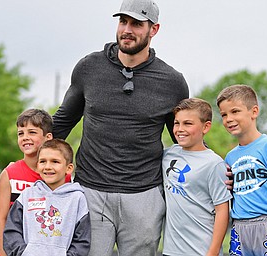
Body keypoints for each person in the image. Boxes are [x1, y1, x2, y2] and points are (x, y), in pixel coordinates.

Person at [52, 0, 189, 255]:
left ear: (154, 29)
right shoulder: (88, 68)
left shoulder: (172, 82)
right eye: (123, 21)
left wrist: (214, 169)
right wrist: (28, 153)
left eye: (137, 24)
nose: (127, 29)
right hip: (90, 190)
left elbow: (185, 140)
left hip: (144, 194)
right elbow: (62, 122)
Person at [0, 109, 71, 256]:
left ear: (48, 137)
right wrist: (4, 253)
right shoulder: (9, 174)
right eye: (20, 133)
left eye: (32, 132)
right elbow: (1, 218)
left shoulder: (62, 178)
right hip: (11, 251)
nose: (25, 137)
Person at [161, 98, 232, 255]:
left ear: (206, 127)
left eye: (188, 123)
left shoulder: (213, 164)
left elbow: (222, 211)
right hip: (171, 251)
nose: (180, 129)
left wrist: (212, 252)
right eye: (177, 123)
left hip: (201, 251)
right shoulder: (168, 155)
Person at [216, 84, 267, 256]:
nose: (228, 119)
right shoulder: (229, 157)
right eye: (224, 114)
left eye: (235, 111)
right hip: (240, 228)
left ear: (254, 112)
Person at [3, 139, 91, 255]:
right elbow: (11, 231)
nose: (48, 166)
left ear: (68, 168)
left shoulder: (77, 198)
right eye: (43, 161)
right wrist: (23, 253)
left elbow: (82, 240)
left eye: (55, 161)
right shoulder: (27, 195)